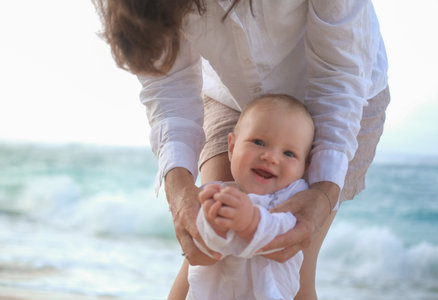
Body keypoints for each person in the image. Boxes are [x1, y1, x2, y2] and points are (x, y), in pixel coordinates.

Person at [93, 1, 390, 299]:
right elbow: (166, 83)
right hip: (230, 92)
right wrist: (180, 189)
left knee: (295, 265)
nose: (271, 157)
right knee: (202, 252)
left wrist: (323, 192)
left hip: (338, 92)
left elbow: (340, 73)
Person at [188, 94, 319, 299]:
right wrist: (213, 224)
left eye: (289, 153)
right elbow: (203, 249)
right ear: (231, 147)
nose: (271, 157)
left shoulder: (295, 196)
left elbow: (286, 232)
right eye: (259, 142)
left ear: (304, 167)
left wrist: (250, 222)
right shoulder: (218, 192)